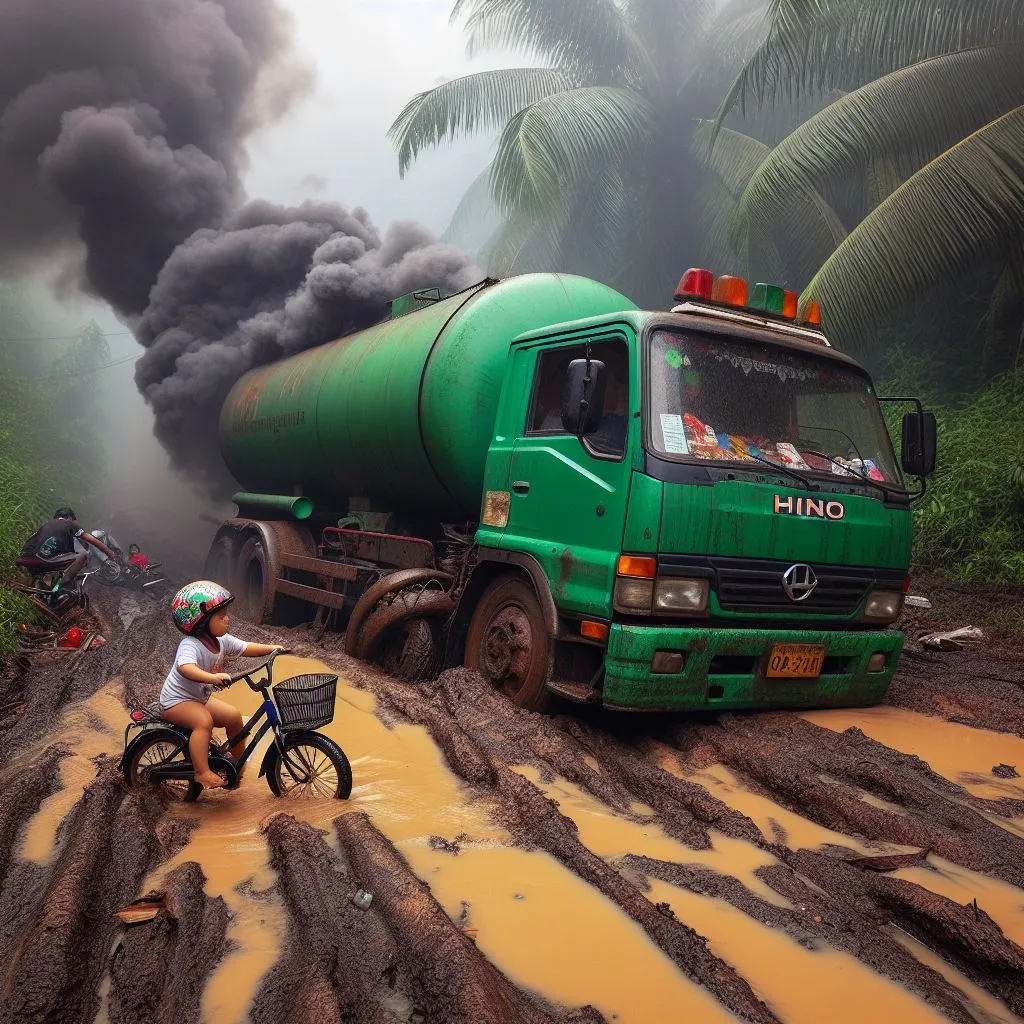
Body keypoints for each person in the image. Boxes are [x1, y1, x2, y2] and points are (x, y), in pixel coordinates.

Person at [161, 581, 285, 790]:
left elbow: (245, 647)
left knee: (234, 716)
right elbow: (185, 668)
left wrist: (272, 648)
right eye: (221, 616)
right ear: (201, 621)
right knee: (204, 722)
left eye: (225, 614)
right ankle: (202, 772)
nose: (227, 619)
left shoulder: (221, 641)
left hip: (198, 698)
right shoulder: (190, 645)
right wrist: (213, 678)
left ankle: (236, 762)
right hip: (176, 702)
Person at [20, 507, 117, 594]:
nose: (75, 522)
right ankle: (61, 588)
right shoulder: (69, 524)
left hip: (23, 558)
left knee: (57, 559)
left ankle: (38, 581)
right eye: (73, 520)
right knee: (82, 556)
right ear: (69, 517)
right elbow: (92, 540)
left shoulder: (46, 525)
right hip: (42, 560)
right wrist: (109, 552)